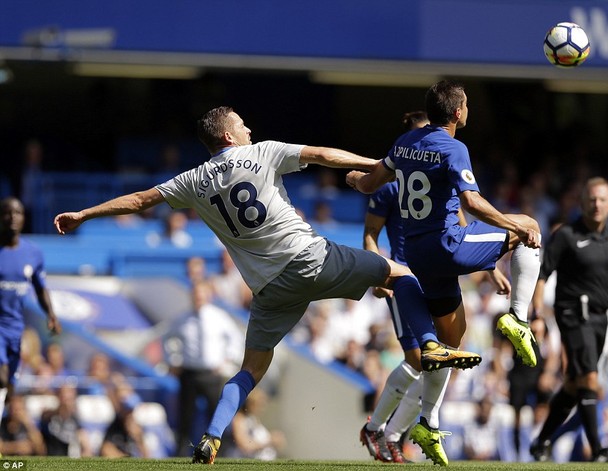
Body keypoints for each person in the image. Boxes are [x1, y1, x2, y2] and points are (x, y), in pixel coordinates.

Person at [53, 106, 480, 464]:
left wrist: (84, 215)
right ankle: (429, 344)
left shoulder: (192, 180)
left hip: (270, 290)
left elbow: (140, 200)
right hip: (310, 259)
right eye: (242, 124)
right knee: (400, 272)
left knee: (250, 370)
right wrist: (379, 167)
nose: (249, 129)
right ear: (228, 134)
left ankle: (214, 435)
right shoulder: (261, 153)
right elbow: (322, 155)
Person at [347, 80, 542, 462]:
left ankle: (428, 422)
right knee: (530, 224)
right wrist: (513, 227)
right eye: (466, 104)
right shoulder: (454, 148)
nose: (468, 109)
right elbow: (470, 202)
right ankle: (519, 317)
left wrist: (353, 179)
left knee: (447, 343)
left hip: (418, 257)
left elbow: (368, 181)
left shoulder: (403, 145)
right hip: (446, 246)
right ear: (457, 113)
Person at [359, 110, 504, 465]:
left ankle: (393, 435)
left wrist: (489, 270)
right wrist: (378, 271)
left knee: (441, 357)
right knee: (417, 359)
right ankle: (377, 428)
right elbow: (370, 233)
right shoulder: (392, 185)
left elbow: (461, 221)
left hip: (436, 269)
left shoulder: (441, 170)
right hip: (405, 273)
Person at [529, 177, 608, 463]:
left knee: (573, 385)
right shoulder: (566, 235)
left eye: (602, 199)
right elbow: (542, 275)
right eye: (591, 199)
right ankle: (599, 449)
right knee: (590, 378)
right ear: (582, 203)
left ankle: (541, 441)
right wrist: (536, 315)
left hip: (600, 318)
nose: (596, 204)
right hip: (571, 313)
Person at [0, 197, 61, 431]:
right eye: (7, 212)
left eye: (17, 213)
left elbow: (40, 287)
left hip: (16, 328)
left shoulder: (33, 253)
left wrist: (51, 315)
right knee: (2, 376)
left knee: (9, 386)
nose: (12, 217)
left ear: (24, 219)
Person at [164, 281, 244, 456]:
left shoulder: (218, 317)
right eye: (196, 294)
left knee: (215, 415)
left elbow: (235, 338)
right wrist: (173, 361)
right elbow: (167, 338)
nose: (198, 298)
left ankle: (219, 454)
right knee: (185, 416)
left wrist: (227, 361)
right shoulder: (182, 319)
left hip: (211, 374)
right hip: (189, 373)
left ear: (209, 296)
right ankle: (180, 453)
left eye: (201, 294)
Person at [40, 383, 92, 457]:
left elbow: (85, 444)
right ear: (58, 396)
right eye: (64, 394)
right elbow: (40, 441)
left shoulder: (76, 419)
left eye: (70, 395)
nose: (66, 398)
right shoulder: (48, 417)